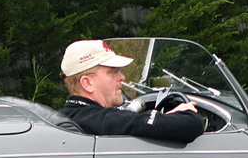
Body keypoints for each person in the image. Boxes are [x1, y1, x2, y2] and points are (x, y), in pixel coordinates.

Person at [59, 39, 206, 143]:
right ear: (87, 83)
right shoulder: (104, 121)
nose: (122, 77)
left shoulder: (68, 116)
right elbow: (191, 124)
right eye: (113, 72)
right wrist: (181, 113)